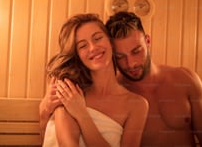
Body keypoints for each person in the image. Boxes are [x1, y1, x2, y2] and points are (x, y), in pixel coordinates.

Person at [40, 11, 202, 146]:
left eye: (137, 51)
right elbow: (50, 121)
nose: (131, 63)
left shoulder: (184, 79)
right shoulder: (104, 89)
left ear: (147, 41)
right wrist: (46, 106)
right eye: (120, 56)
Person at [41, 13, 148, 147]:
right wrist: (44, 111)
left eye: (97, 38)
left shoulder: (137, 105)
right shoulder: (69, 92)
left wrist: (82, 115)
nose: (93, 48)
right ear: (77, 54)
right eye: (82, 46)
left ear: (110, 42)